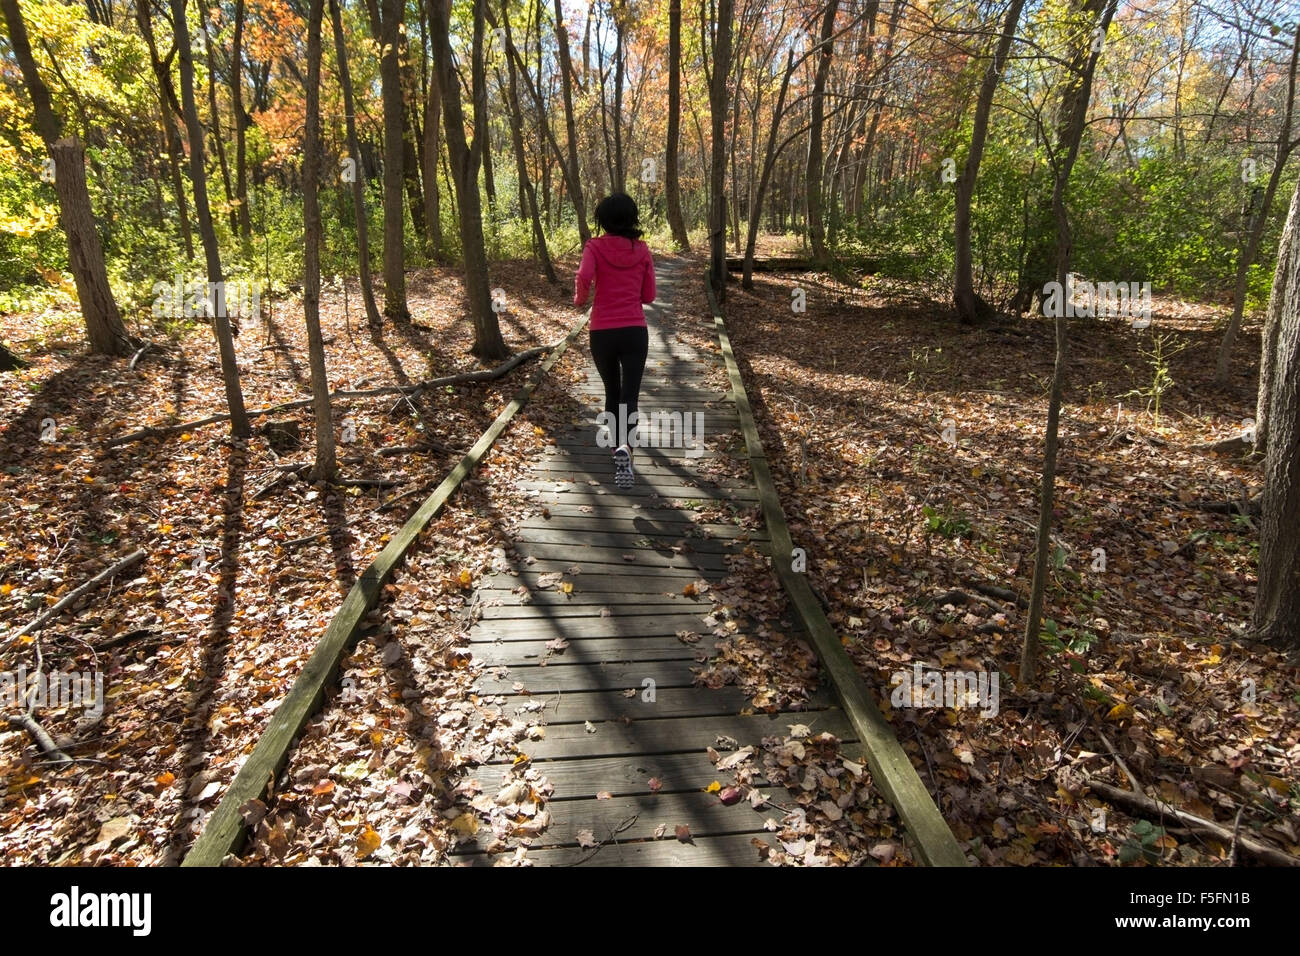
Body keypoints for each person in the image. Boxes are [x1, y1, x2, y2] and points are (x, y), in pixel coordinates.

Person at [573, 193, 655, 489]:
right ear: (632, 218)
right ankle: (627, 449)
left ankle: (615, 447)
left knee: (612, 390)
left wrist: (580, 299)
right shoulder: (642, 250)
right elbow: (649, 296)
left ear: (603, 220)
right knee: (629, 396)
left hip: (602, 332)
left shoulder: (594, 247)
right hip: (635, 331)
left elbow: (583, 276)